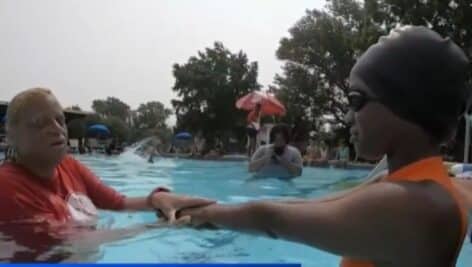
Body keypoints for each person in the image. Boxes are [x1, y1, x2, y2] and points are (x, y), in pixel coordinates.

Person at [179, 26, 470, 267]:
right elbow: (311, 205)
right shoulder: (416, 185)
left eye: (357, 100)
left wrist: (205, 214)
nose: (347, 117)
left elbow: (272, 219)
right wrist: (210, 207)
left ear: (404, 106)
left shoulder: (415, 204)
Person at [0, 88, 213, 260]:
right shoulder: (7, 187)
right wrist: (156, 227)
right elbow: (66, 244)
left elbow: (118, 203)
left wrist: (156, 198)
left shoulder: (69, 166)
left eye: (60, 120)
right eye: (39, 123)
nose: (56, 129)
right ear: (10, 136)